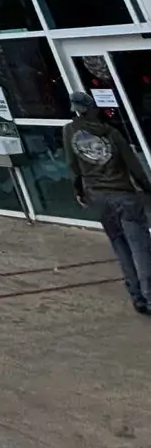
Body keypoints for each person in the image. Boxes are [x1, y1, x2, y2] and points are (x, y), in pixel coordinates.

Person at [63, 90, 151, 314]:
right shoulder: (112, 133)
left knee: (120, 246)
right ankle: (149, 295)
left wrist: (79, 191)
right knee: (140, 247)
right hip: (123, 195)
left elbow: (73, 165)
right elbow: (134, 167)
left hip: (98, 197)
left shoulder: (69, 131)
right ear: (93, 108)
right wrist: (148, 188)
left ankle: (137, 296)